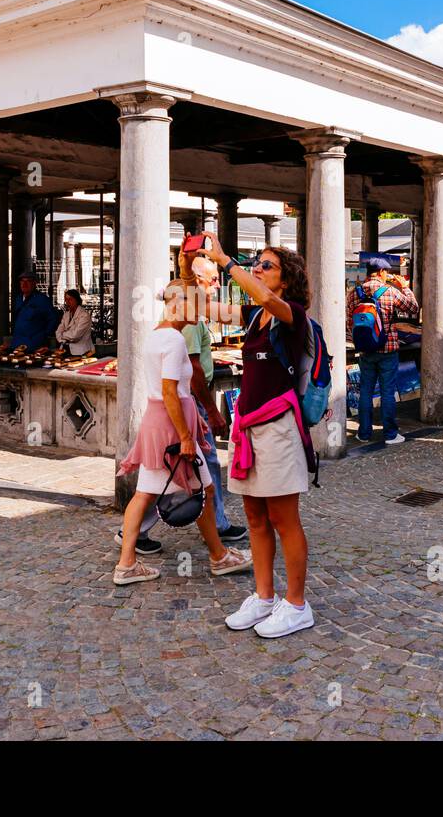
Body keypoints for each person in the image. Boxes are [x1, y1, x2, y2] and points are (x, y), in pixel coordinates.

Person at [200, 235, 316, 639]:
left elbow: (267, 301)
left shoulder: (291, 313)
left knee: (285, 520)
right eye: (257, 263)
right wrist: (193, 275)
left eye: (267, 266)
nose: (258, 269)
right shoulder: (253, 317)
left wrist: (226, 261)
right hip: (247, 428)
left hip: (279, 429)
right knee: (254, 517)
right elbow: (200, 308)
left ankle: (297, 605)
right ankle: (264, 596)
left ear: (286, 280)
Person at [111, 279, 251, 585]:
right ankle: (218, 556)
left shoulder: (157, 336)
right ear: (179, 303)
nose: (202, 311)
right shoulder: (173, 340)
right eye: (197, 304)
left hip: (160, 421)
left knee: (155, 492)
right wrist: (186, 437)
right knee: (201, 488)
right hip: (172, 426)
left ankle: (129, 564)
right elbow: (171, 392)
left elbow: (172, 392)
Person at [182, 255, 247, 543]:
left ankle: (136, 529)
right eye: (212, 279)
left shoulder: (191, 309)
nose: (218, 284)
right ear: (197, 281)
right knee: (208, 462)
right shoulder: (190, 316)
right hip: (193, 400)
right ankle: (218, 524)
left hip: (190, 398)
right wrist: (212, 409)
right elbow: (193, 367)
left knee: (170, 467)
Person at [346, 257, 416, 444]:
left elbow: (348, 322)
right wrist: (405, 287)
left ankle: (364, 433)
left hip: (365, 350)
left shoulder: (355, 292)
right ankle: (390, 434)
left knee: (366, 391)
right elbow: (413, 308)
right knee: (387, 392)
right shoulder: (390, 291)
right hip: (388, 347)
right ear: (383, 272)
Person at [1, 273, 56, 352]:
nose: (24, 284)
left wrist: (43, 335)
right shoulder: (19, 299)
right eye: (22, 281)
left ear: (34, 283)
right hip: (17, 343)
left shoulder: (42, 300)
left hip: (34, 344)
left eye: (28, 281)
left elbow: (53, 319)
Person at [54, 289, 95, 356]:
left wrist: (63, 334)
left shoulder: (84, 315)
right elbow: (58, 331)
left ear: (77, 300)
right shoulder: (66, 314)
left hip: (82, 352)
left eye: (70, 299)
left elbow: (75, 335)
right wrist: (62, 339)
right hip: (66, 350)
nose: (67, 302)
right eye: (66, 300)